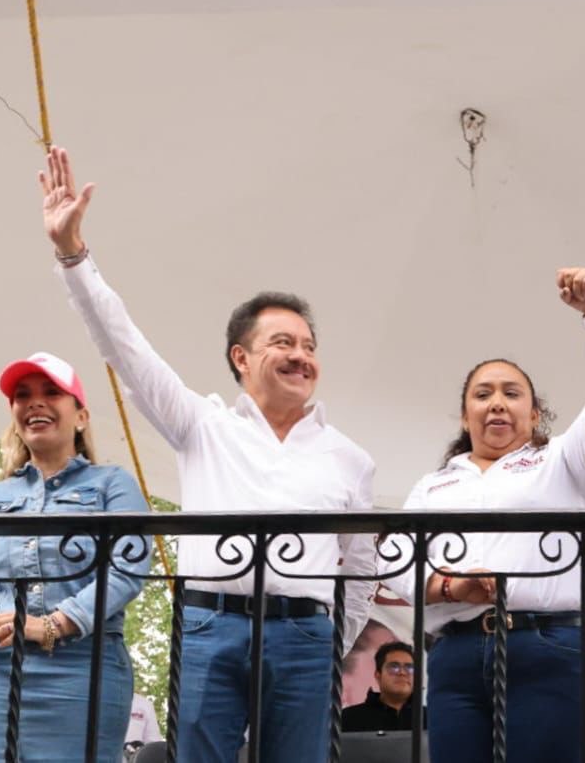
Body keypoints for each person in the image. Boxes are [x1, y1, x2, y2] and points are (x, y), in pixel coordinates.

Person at [40, 146, 377, 763]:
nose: (301, 355)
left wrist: (331, 639)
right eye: (282, 342)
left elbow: (359, 567)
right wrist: (73, 256)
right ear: (241, 358)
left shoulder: (348, 458)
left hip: (306, 636)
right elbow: (127, 351)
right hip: (208, 627)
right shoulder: (203, 425)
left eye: (308, 345)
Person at [382, 267, 585, 763]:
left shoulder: (562, 461)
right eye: (483, 394)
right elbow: (395, 557)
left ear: (534, 413)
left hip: (547, 646)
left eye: (511, 393)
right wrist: (450, 586)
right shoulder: (434, 485)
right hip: (455, 653)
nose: (496, 404)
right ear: (464, 415)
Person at [0, 352, 151, 762]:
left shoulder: (111, 484)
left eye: (52, 392)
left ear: (81, 416)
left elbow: (130, 565)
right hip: (1, 669)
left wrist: (52, 624)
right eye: (22, 395)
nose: (35, 402)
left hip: (85, 667)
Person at [341, 641, 419, 732]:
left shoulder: (431, 717)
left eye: (409, 668)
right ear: (378, 676)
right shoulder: (349, 718)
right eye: (394, 667)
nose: (402, 672)